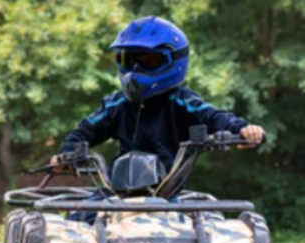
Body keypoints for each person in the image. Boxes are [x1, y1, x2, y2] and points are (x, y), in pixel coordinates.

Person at [50, 16, 265, 173]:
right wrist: (66, 155)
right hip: (115, 194)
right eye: (128, 60)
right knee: (75, 222)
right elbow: (82, 133)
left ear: (175, 60)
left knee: (211, 229)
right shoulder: (117, 105)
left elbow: (213, 116)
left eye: (149, 61)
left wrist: (243, 129)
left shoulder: (182, 101)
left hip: (168, 194)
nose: (135, 70)